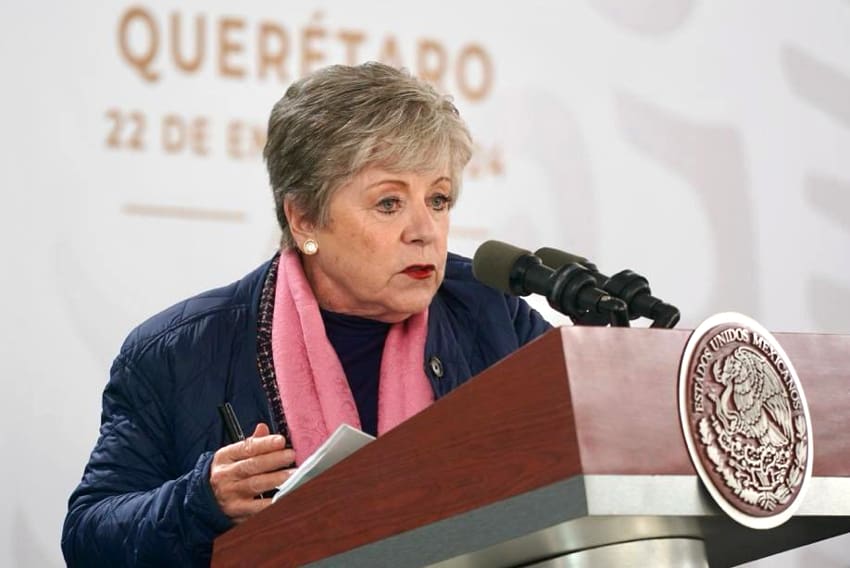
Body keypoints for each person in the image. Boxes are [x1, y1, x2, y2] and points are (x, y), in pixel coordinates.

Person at [61, 62, 551, 567]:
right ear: (304, 218)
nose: (425, 230)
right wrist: (199, 503)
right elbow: (88, 536)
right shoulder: (177, 351)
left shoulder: (492, 312)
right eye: (389, 203)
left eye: (439, 199)